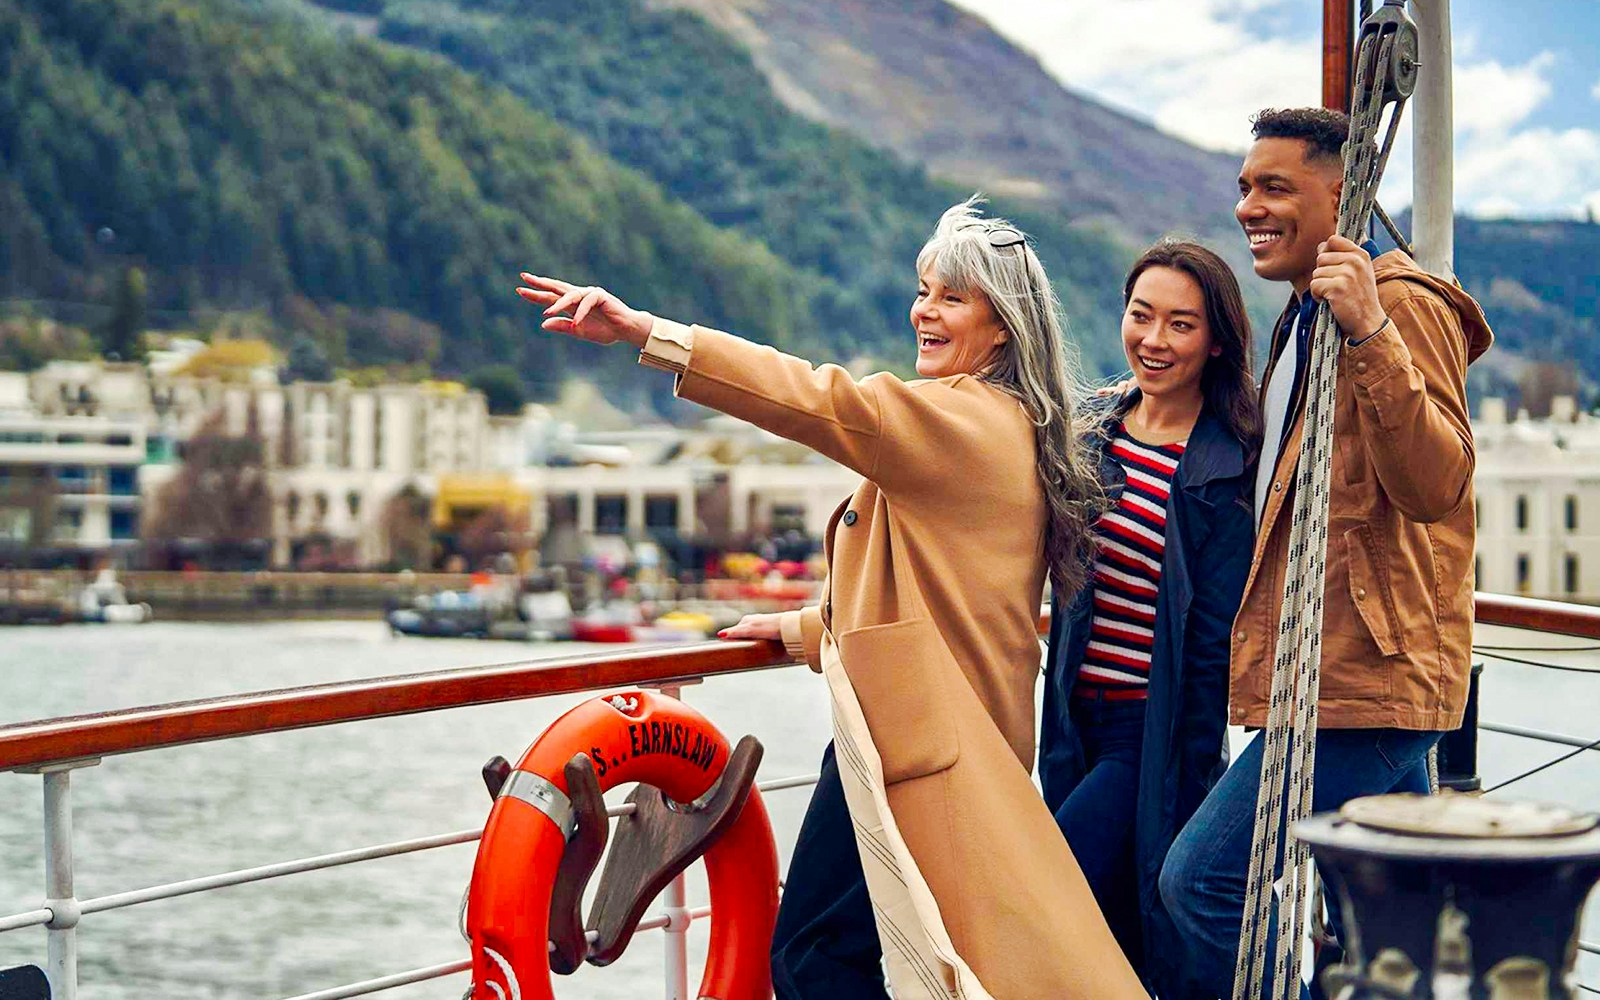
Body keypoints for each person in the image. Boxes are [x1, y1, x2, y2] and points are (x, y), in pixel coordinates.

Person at [516, 199, 1148, 999]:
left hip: (912, 749)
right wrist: (802, 631)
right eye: (923, 290)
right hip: (935, 739)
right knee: (892, 958)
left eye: (953, 298)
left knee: (813, 953)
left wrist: (648, 333)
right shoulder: (1010, 421)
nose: (924, 311)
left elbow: (817, 399)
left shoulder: (958, 420)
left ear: (1002, 329)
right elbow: (947, 597)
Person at [1157, 107, 1494, 998]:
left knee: (1204, 883)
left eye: (1275, 187)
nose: (1248, 208)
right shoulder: (1303, 320)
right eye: (1244, 188)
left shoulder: (1400, 304)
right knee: (1386, 930)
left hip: (1363, 682)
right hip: (1326, 673)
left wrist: (1372, 330)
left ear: (1345, 197)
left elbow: (1438, 484)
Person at [1039, 240, 1258, 997]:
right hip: (1069, 721)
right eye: (1141, 315)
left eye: (1181, 324)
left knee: (1053, 889)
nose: (1154, 340)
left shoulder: (1230, 464)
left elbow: (1211, 643)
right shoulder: (1092, 430)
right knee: (1105, 932)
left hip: (1148, 733)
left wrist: (1191, 769)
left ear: (1217, 342)